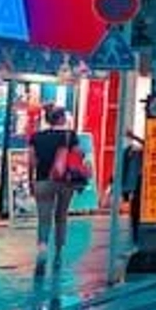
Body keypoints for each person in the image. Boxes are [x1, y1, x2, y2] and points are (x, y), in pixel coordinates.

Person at [27, 108, 90, 279]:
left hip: (42, 180)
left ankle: (42, 246)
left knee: (44, 217)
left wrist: (30, 180)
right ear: (61, 118)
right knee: (61, 216)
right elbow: (78, 155)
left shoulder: (36, 137)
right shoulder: (70, 136)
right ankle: (59, 252)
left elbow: (32, 161)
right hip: (64, 181)